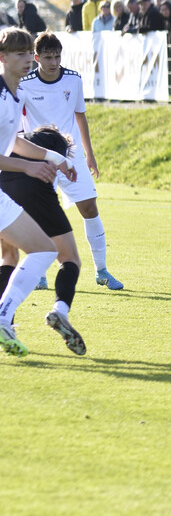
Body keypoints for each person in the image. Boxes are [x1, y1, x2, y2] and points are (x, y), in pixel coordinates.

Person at [0, 27, 80, 358]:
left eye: (26, 53)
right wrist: (29, 168)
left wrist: (54, 158)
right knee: (45, 251)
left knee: (37, 251)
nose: (25, 59)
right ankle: (4, 317)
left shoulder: (14, 96)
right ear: (2, 58)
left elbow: (15, 142)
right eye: (17, 54)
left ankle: (5, 318)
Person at [24, 32, 125, 291]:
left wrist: (89, 154)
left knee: (90, 208)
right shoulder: (23, 84)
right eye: (48, 57)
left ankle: (101, 271)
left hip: (71, 155)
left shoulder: (73, 80)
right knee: (38, 215)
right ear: (37, 58)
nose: (54, 62)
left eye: (57, 56)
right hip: (40, 158)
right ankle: (40, 274)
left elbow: (81, 117)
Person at [0, 127, 87, 355]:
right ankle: (60, 310)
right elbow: (52, 165)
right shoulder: (57, 143)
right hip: (35, 186)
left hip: (4, 184)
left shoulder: (21, 136)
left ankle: (5, 322)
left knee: (8, 256)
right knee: (69, 258)